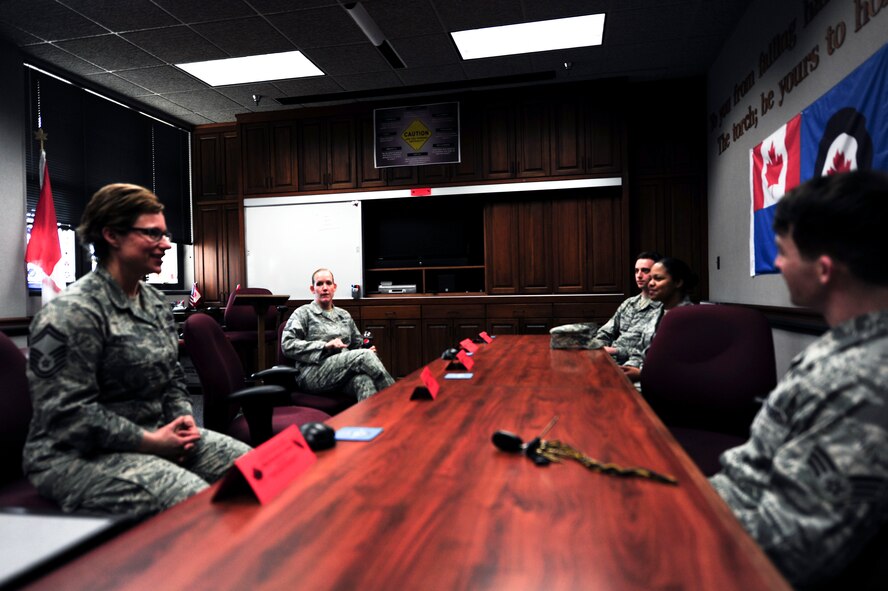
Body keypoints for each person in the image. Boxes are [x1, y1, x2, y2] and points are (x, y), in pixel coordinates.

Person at [23, 183, 250, 517]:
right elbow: (67, 415)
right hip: (75, 457)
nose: (167, 244)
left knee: (255, 471)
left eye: (165, 234)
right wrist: (150, 441)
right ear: (112, 235)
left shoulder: (155, 303)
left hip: (159, 434)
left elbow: (172, 374)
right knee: (199, 504)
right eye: (153, 234)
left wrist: (183, 417)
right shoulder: (70, 312)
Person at [709, 170, 888, 588]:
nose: (777, 263)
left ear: (824, 270)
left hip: (730, 554)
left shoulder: (861, 382)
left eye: (784, 252)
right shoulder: (846, 346)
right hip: (721, 509)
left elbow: (783, 550)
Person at [281, 268, 394, 402]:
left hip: (342, 372)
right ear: (312, 289)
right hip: (312, 373)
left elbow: (357, 346)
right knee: (364, 356)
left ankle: (373, 422)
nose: (324, 288)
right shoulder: (303, 313)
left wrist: (367, 350)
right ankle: (398, 399)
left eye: (328, 283)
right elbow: (287, 344)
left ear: (334, 287)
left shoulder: (344, 315)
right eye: (319, 284)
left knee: (364, 380)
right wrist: (324, 346)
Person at [620, 256, 697, 382]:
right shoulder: (656, 313)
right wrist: (628, 368)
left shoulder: (691, 318)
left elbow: (685, 367)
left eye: (658, 278)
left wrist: (641, 374)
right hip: (642, 380)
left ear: (677, 282)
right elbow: (639, 352)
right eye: (650, 278)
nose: (650, 283)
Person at [589, 251, 663, 362]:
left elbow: (650, 349)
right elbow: (605, 332)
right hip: (608, 358)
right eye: (636, 271)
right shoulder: (629, 303)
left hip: (632, 363)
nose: (639, 275)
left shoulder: (662, 308)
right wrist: (598, 348)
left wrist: (615, 351)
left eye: (645, 271)